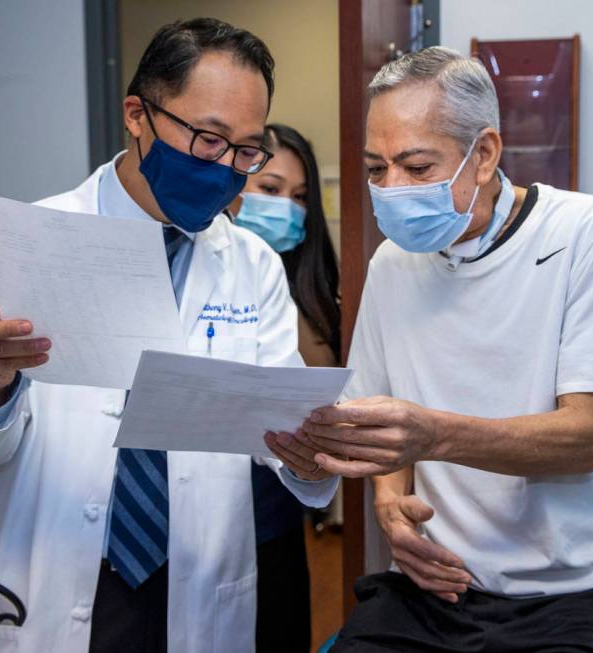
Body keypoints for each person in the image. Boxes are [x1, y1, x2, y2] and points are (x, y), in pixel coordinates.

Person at [0, 18, 337, 653]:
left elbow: (280, 441)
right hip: (53, 582)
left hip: (200, 589)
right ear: (138, 114)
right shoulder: (16, 248)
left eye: (246, 150)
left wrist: (308, 451)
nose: (228, 169)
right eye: (207, 139)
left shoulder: (253, 266)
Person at [292, 46, 593, 652]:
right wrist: (392, 505)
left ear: (486, 154)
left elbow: (586, 439)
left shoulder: (587, 234)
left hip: (579, 592)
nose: (391, 189)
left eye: (416, 168)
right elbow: (380, 423)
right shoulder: (393, 265)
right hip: (438, 589)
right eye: (375, 168)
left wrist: (432, 434)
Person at [231, 123, 341, 652]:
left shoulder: (311, 286)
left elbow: (316, 385)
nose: (286, 209)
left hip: (274, 509)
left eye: (299, 198)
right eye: (270, 191)